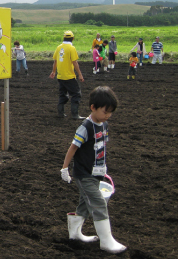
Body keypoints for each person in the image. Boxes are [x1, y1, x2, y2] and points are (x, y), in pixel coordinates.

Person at [60, 86, 127, 254]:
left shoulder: (103, 125)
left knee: (85, 203)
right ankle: (106, 241)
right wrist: (64, 168)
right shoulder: (86, 127)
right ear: (93, 108)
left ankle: (75, 234)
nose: (108, 115)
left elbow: (100, 148)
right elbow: (73, 148)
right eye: (105, 112)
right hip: (84, 175)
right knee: (98, 203)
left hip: (96, 174)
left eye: (110, 112)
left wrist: (102, 169)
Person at [49, 30, 85, 119]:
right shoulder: (71, 48)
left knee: (62, 94)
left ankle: (61, 113)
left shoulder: (58, 47)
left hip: (60, 76)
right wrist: (80, 74)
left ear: (63, 38)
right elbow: (75, 62)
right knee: (76, 94)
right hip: (69, 76)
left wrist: (53, 72)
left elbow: (55, 61)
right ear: (73, 38)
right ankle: (75, 114)